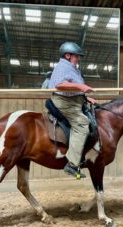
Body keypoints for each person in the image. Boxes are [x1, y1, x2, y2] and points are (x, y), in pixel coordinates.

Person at [48, 42, 96, 179]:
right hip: (65, 103)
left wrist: (85, 97)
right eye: (76, 56)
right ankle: (72, 164)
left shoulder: (73, 68)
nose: (78, 58)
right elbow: (60, 84)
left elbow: (73, 88)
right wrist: (81, 87)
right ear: (67, 55)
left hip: (75, 100)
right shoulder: (63, 66)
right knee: (82, 124)